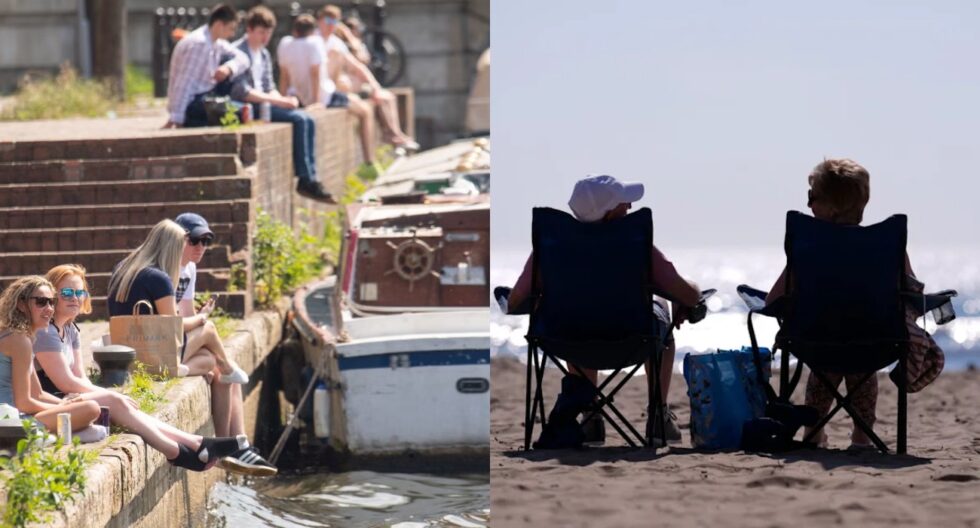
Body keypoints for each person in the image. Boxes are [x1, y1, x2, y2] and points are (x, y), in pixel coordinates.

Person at [508, 175, 702, 447]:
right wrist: (684, 295)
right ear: (610, 212)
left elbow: (515, 301)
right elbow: (688, 294)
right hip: (634, 340)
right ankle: (659, 413)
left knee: (579, 318)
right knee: (661, 313)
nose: (629, 209)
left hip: (567, 343)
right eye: (624, 203)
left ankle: (591, 415)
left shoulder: (553, 244)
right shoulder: (634, 241)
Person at [766, 158, 944, 451]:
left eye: (813, 197)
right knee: (863, 365)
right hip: (876, 340)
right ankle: (862, 438)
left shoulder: (808, 245)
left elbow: (773, 300)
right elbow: (910, 288)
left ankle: (813, 432)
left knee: (823, 366)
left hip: (816, 340)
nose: (808, 205)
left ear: (832, 207)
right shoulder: (886, 243)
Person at [34, 265, 249, 472]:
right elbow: (65, 382)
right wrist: (108, 394)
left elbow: (80, 377)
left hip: (68, 401)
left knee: (123, 404)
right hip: (51, 406)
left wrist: (106, 395)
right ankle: (179, 453)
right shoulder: (45, 332)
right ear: (52, 296)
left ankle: (196, 443)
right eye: (67, 292)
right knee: (115, 401)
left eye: (80, 292)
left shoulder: (70, 329)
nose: (75, 297)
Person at [174, 212, 278, 476]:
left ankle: (234, 443)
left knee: (219, 370)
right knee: (214, 341)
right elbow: (172, 320)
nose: (200, 248)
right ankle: (237, 444)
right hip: (165, 343)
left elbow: (185, 314)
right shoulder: (167, 266)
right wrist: (201, 319)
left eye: (206, 241)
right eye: (195, 241)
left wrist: (197, 318)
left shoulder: (190, 269)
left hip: (178, 338)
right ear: (179, 238)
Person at [107, 219, 247, 385]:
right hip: (151, 351)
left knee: (208, 359)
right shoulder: (159, 278)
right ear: (173, 249)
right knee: (208, 328)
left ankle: (181, 369)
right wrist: (202, 317)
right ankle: (228, 368)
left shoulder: (122, 268)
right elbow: (175, 326)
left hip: (124, 352)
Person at [227, 6, 335, 204]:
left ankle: (311, 176)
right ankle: (305, 179)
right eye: (261, 32)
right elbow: (242, 92)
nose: (265, 37)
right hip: (250, 106)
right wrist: (278, 100)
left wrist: (285, 101)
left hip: (266, 103)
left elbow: (269, 86)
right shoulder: (238, 52)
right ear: (249, 29)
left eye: (268, 33)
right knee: (301, 120)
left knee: (307, 118)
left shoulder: (265, 54)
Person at [0, 276, 103, 441]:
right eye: (41, 302)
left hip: (12, 416)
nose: (49, 308)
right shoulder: (19, 340)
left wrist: (66, 405)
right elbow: (24, 403)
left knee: (85, 412)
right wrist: (64, 406)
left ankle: (63, 434)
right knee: (91, 409)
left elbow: (38, 394)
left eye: (52, 302)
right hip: (9, 422)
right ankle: (59, 435)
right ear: (21, 304)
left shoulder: (18, 336)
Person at [324, 5, 420, 152]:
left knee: (386, 97)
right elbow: (360, 64)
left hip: (355, 87)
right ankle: (392, 136)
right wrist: (348, 36)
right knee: (381, 99)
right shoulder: (335, 43)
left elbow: (363, 61)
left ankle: (395, 134)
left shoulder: (343, 43)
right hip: (346, 89)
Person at [164, 3, 250, 129]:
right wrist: (177, 118)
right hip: (192, 104)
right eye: (231, 28)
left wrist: (228, 68)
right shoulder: (199, 44)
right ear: (220, 25)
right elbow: (184, 84)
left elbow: (244, 59)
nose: (232, 34)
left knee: (240, 110)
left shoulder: (216, 42)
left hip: (205, 96)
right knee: (238, 113)